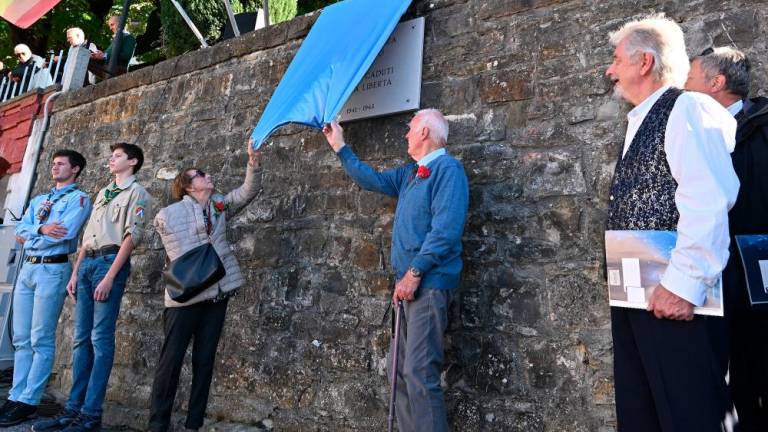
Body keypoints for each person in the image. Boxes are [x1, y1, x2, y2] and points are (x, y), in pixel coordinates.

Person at [604, 15, 740, 431]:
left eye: (616, 59)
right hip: (637, 295)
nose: (610, 70)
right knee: (642, 413)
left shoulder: (686, 107)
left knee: (690, 413)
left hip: (674, 297)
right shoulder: (641, 120)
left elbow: (709, 197)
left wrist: (683, 284)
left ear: (644, 62)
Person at [322, 109, 469, 432]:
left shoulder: (448, 170)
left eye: (410, 129)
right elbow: (370, 179)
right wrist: (339, 146)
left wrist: (414, 272)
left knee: (419, 372)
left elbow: (446, 230)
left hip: (428, 284)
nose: (405, 135)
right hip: (408, 285)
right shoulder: (409, 175)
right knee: (399, 371)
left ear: (425, 133)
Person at [31, 143, 152, 432]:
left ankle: (90, 415)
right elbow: (87, 238)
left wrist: (111, 276)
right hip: (87, 265)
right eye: (111, 155)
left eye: (118, 156)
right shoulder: (103, 192)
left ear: (133, 162)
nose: (111, 159)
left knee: (100, 339)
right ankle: (72, 411)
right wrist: (75, 272)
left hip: (109, 263)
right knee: (80, 339)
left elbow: (130, 238)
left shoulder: (137, 193)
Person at [148, 140, 262, 432]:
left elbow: (246, 193)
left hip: (216, 295)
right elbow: (177, 248)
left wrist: (253, 163)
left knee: (204, 361)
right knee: (170, 361)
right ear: (188, 186)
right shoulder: (168, 214)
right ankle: (158, 424)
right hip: (185, 298)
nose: (207, 176)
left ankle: (193, 424)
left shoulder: (219, 206)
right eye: (200, 174)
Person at [685, 46, 768, 432]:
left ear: (716, 83)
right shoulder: (690, 135)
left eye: (691, 78)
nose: (682, 87)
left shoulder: (762, 129)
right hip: (710, 282)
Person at [0, 150, 92, 426]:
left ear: (75, 169)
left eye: (61, 164)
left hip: (52, 268)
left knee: (40, 336)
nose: (55, 167)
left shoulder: (79, 199)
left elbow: (66, 231)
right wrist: (40, 231)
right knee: (21, 337)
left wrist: (32, 233)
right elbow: (20, 232)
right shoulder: (40, 199)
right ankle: (15, 396)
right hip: (28, 267)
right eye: (53, 163)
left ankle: (29, 400)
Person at [88, 16, 136, 81]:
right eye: (109, 26)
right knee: (85, 58)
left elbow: (126, 55)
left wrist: (105, 56)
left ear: (120, 23)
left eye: (112, 25)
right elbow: (107, 55)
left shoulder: (129, 38)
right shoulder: (115, 39)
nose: (110, 28)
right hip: (107, 68)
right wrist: (97, 55)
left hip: (117, 69)